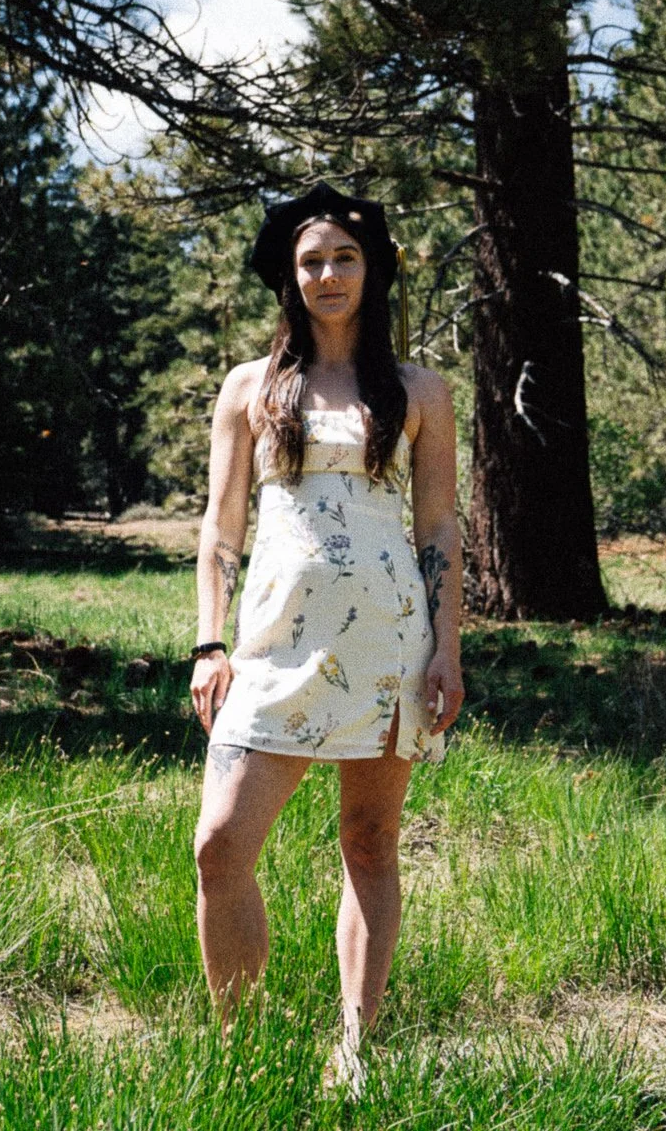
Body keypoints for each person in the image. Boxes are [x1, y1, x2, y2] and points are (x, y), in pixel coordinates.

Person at [189, 183, 464, 1084]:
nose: (329, 274)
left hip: (387, 644)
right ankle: (239, 1050)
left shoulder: (420, 391)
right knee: (220, 845)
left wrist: (448, 649)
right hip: (270, 648)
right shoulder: (251, 387)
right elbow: (220, 527)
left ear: (372, 270)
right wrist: (209, 643)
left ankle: (356, 1049)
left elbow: (438, 530)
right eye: (312, 261)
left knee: (369, 843)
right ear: (290, 277)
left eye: (345, 257)